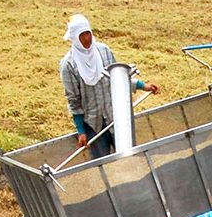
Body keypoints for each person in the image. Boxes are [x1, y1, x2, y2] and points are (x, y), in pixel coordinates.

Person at [60, 14, 158, 159]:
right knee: (104, 163)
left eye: (88, 33)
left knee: (129, 157)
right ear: (74, 38)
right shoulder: (69, 65)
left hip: (115, 117)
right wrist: (81, 131)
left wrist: (143, 85)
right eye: (82, 35)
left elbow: (117, 79)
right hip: (93, 124)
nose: (87, 39)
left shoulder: (103, 51)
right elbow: (73, 100)